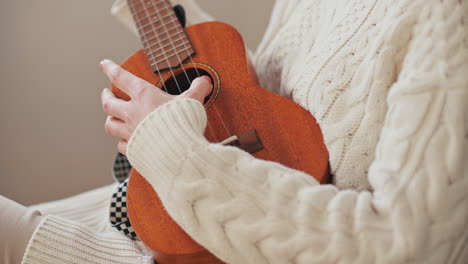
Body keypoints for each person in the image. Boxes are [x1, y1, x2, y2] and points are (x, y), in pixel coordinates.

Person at [1, 0, 467, 263]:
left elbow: (404, 248)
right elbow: (271, 94)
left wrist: (169, 143)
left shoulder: (447, 18)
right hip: (188, 213)